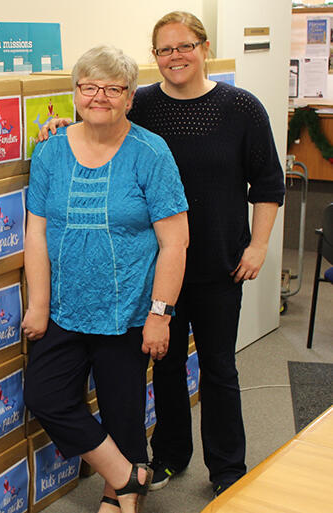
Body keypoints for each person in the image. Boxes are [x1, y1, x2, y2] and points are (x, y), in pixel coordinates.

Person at [38, 11, 286, 498]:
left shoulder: (241, 107)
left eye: (184, 46)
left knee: (217, 367)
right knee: (166, 367)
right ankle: (170, 457)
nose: (175, 57)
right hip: (155, 272)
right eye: (165, 49)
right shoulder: (143, 101)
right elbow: (101, 120)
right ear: (154, 58)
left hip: (218, 263)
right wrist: (57, 125)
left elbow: (269, 183)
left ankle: (226, 468)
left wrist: (258, 246)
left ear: (204, 47)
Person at [23, 45, 189, 513]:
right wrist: (38, 304)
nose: (100, 96)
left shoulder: (150, 153)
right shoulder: (50, 152)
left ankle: (119, 500)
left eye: (113, 88)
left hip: (129, 309)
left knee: (123, 412)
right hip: (65, 307)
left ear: (130, 98)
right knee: (45, 396)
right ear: (75, 93)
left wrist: (161, 314)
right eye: (89, 86)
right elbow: (36, 233)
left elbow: (175, 242)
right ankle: (127, 475)